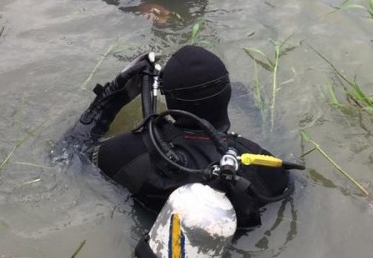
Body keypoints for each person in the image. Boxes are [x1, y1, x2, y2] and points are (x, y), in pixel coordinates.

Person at [53, 45, 293, 230]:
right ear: (227, 94)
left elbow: (67, 154)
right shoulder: (263, 162)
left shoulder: (129, 151)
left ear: (169, 99)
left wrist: (113, 95)